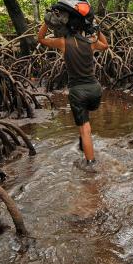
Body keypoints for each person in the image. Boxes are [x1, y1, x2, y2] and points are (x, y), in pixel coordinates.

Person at [37, 20, 108, 165]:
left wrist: (46, 22)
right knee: (85, 118)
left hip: (78, 91)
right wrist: (98, 30)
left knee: (84, 129)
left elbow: (41, 39)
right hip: (95, 89)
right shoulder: (91, 42)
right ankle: (83, 146)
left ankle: (90, 164)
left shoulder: (63, 42)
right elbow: (106, 45)